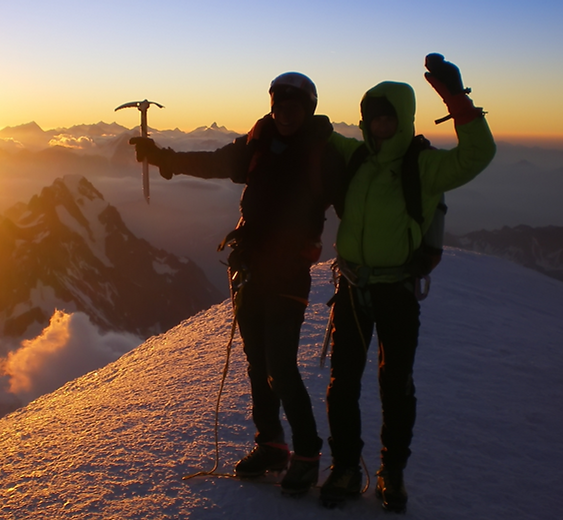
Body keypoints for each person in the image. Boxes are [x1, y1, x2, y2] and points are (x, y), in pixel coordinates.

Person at [129, 72, 344, 495]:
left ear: (308, 110)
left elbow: (357, 196)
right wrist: (162, 158)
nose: (284, 115)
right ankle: (271, 445)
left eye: (293, 108)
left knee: (279, 366)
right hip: (250, 270)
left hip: (287, 274)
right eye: (279, 107)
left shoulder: (324, 153)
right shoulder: (258, 144)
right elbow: (213, 162)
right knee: (258, 364)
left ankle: (306, 453)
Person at [319, 54, 496, 512]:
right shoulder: (355, 155)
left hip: (395, 291)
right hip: (354, 290)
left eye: (387, 117)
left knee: (395, 385)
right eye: (372, 117)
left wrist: (459, 102)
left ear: (402, 120)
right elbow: (319, 138)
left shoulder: (424, 166)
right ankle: (344, 466)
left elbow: (479, 154)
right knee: (343, 384)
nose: (378, 125)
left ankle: (391, 472)